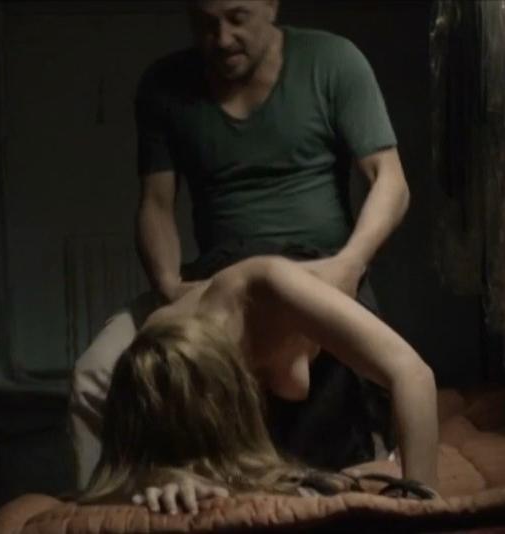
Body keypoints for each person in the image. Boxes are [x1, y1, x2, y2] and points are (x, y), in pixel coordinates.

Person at [69, 0, 412, 487]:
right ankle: (117, 506)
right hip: (218, 278)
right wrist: (169, 286)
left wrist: (350, 266)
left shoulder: (333, 61)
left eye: (237, 18)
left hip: (319, 274)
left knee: (342, 414)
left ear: (270, 5)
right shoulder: (163, 85)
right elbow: (156, 204)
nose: (223, 38)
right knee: (96, 375)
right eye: (206, 24)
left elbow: (391, 182)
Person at [79, 256, 439, 514]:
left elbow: (413, 374)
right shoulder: (158, 356)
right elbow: (123, 466)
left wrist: (422, 513)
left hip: (323, 339)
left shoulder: (269, 288)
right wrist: (164, 480)